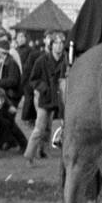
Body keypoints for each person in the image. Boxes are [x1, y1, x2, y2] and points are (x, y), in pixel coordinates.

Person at [24, 32, 67, 166]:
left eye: (61, 43)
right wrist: (45, 89)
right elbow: (33, 80)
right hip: (46, 99)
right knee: (39, 129)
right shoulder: (41, 60)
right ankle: (29, 157)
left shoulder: (66, 61)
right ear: (51, 45)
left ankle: (45, 152)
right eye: (56, 43)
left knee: (55, 128)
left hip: (62, 99)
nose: (59, 46)